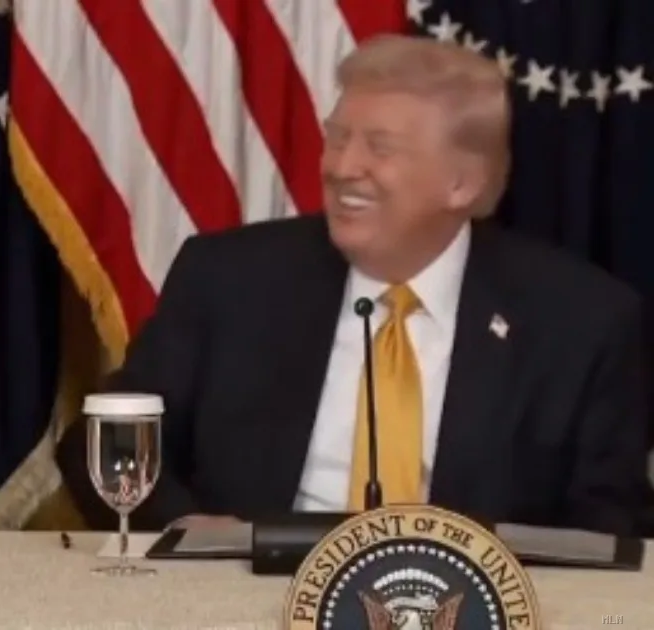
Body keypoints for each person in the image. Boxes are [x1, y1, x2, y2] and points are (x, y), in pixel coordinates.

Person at [57, 35, 651, 536]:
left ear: (462, 184)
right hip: (243, 596)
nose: (341, 167)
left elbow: (608, 528)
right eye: (337, 138)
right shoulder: (228, 278)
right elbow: (102, 442)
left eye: (379, 149)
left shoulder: (582, 321)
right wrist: (187, 533)